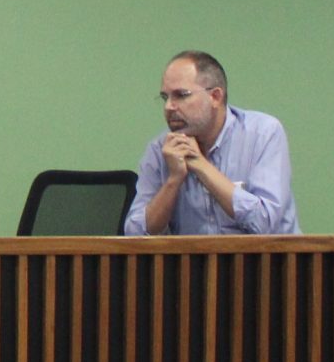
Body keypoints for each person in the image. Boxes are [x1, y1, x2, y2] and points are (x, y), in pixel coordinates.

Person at [123, 51, 298, 236]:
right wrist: (173, 181)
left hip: (266, 262)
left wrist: (200, 165)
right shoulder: (160, 149)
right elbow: (135, 235)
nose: (169, 107)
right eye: (166, 98)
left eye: (181, 95)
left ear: (215, 97)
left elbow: (266, 224)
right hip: (192, 264)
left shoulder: (263, 133)